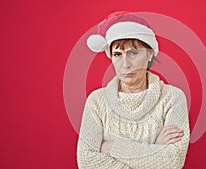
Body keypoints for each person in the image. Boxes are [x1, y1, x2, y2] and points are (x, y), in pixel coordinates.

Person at [77, 11, 190, 169]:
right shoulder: (96, 101)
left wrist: (112, 147)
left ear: (149, 53)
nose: (125, 64)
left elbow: (171, 162)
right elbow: (86, 162)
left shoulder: (172, 98)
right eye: (117, 54)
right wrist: (154, 149)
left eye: (133, 53)